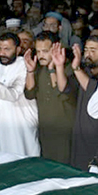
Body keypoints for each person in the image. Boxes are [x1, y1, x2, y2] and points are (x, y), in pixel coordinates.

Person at [23, 33, 78, 164]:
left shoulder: (69, 68)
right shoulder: (38, 69)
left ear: (56, 49)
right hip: (45, 130)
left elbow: (62, 91)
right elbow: (29, 94)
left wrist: (54, 68)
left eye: (45, 51)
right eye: (38, 51)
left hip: (65, 131)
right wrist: (30, 71)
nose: (41, 55)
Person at [70, 36, 98, 170]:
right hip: (80, 133)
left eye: (93, 50)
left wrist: (76, 68)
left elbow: (95, 93)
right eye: (86, 50)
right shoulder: (84, 70)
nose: (88, 54)